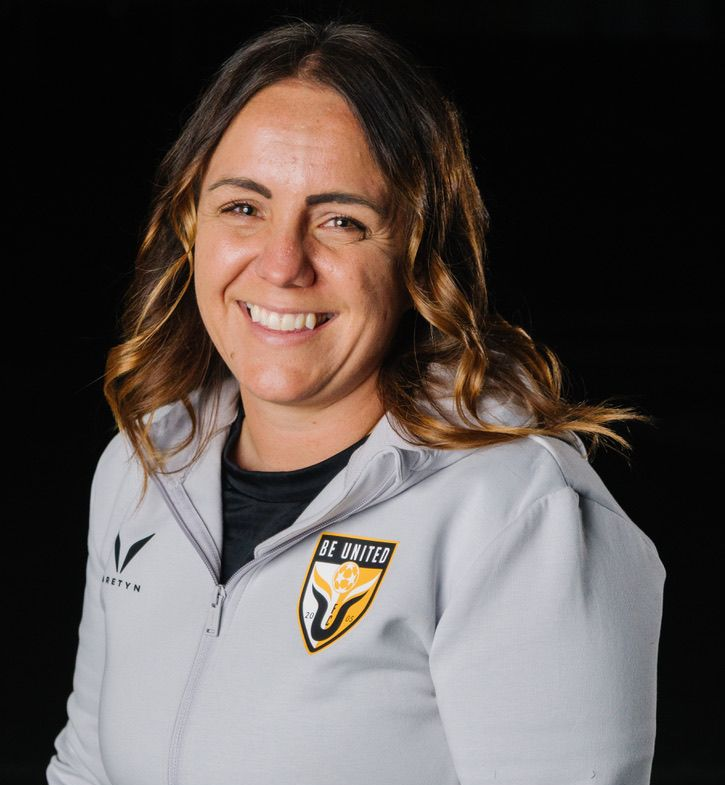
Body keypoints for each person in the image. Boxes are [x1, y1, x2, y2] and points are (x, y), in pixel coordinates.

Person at [47, 18, 665, 785]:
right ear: (190, 222)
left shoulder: (512, 514)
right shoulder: (140, 469)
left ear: (416, 254)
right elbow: (86, 766)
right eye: (244, 206)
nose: (282, 263)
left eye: (341, 220)